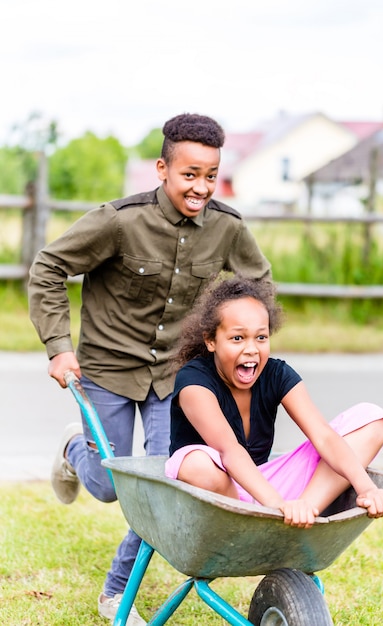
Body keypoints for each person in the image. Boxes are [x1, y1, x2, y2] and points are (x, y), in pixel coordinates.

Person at [28, 113, 272, 625]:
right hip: (108, 369)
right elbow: (48, 267)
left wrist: (238, 349)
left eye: (210, 175)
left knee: (165, 483)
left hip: (176, 378)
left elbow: (257, 288)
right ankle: (77, 450)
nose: (200, 186)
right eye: (189, 174)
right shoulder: (118, 221)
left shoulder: (228, 228)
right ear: (162, 169)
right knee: (108, 485)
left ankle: (117, 591)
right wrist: (57, 346)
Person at [165, 274, 383, 526]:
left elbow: (324, 437)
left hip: (266, 485)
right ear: (211, 340)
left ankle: (302, 517)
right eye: (237, 338)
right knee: (196, 463)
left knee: (372, 419)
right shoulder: (194, 381)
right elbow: (228, 451)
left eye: (261, 337)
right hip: (218, 490)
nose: (252, 349)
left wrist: (366, 488)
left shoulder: (276, 374)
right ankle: (255, 525)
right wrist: (277, 505)